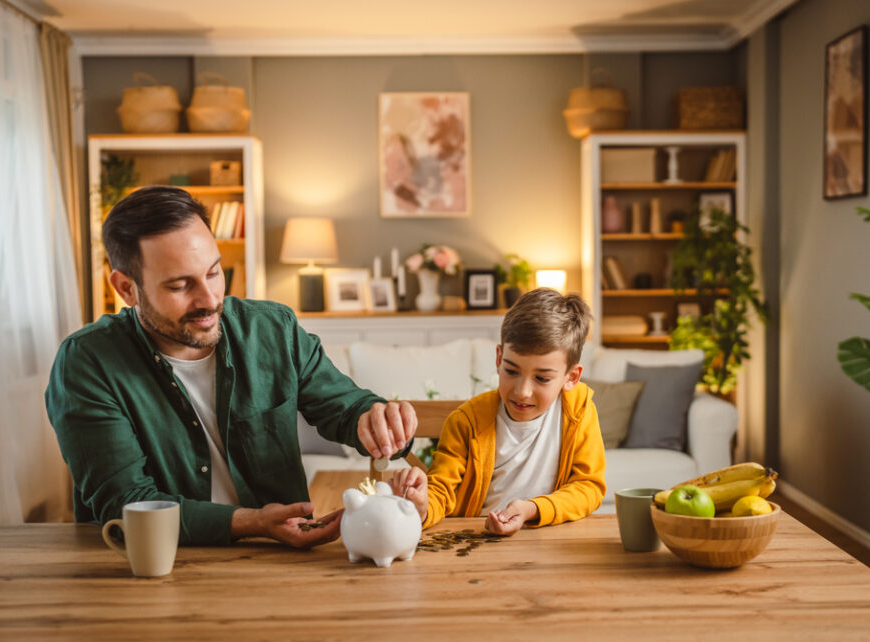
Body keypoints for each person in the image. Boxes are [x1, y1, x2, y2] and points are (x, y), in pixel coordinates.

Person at [45, 186, 416, 547]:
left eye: (213, 272)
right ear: (126, 288)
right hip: (153, 570)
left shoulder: (272, 330)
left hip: (278, 563)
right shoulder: (87, 363)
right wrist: (252, 523)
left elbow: (346, 408)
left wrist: (377, 419)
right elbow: (127, 504)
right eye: (179, 286)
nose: (209, 299)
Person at [390, 288, 606, 535]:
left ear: (571, 377)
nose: (522, 391)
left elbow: (588, 486)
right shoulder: (466, 421)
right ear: (499, 359)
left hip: (550, 539)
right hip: (478, 541)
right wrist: (422, 505)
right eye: (511, 371)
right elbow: (441, 492)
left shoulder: (580, 410)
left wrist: (533, 509)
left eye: (542, 378)